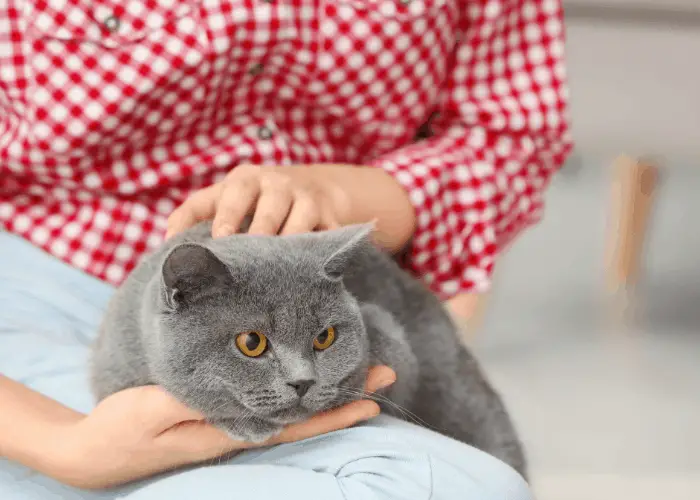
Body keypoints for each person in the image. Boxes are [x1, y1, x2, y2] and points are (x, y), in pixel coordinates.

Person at [0, 0, 571, 497]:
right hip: (37, 291)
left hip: (309, 292)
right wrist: (62, 447)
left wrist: (341, 192)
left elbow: (511, 140)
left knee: (464, 486)